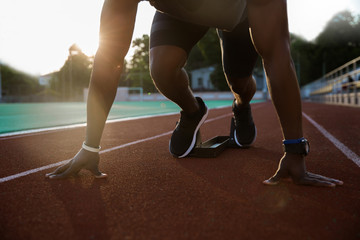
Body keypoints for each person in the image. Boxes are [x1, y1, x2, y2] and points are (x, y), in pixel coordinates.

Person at [46, 0, 343, 187]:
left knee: (238, 81)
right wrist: (91, 146)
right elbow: (109, 57)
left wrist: (294, 149)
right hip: (179, 12)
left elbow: (277, 53)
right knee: (161, 70)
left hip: (236, 12)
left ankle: (241, 105)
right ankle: (192, 111)